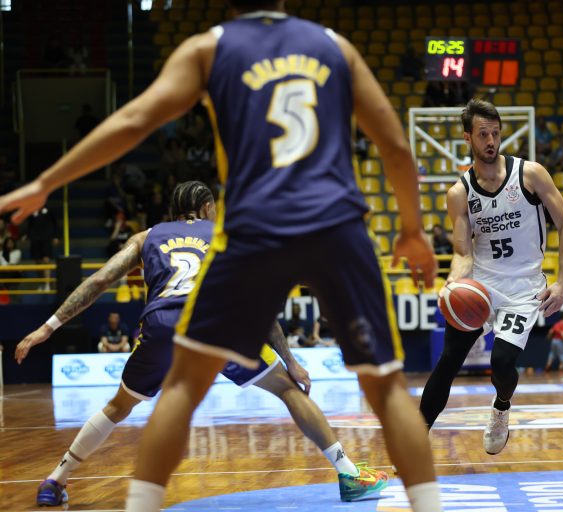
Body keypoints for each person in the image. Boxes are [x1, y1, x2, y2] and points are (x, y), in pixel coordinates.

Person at [0, 3, 441, 510]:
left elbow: (134, 120)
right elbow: (395, 145)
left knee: (178, 393)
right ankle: (373, 483)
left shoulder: (208, 48)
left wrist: (46, 182)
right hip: (336, 223)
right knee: (387, 388)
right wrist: (412, 229)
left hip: (250, 231)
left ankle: (94, 488)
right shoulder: (334, 45)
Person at [15, 182, 387, 507]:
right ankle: (349, 473)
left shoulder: (146, 237)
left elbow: (99, 281)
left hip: (163, 325)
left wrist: (48, 327)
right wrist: (290, 360)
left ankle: (55, 480)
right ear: (208, 207)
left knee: (118, 406)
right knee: (290, 391)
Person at [418, 99, 563, 454]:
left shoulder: (530, 174)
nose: (490, 141)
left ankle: (501, 407)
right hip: (481, 285)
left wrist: (562, 281)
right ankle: (415, 441)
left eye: (495, 133)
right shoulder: (459, 193)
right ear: (467, 138)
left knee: (501, 362)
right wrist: (453, 282)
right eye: (483, 134)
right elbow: (463, 253)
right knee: (448, 360)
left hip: (523, 288)